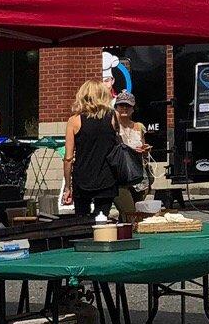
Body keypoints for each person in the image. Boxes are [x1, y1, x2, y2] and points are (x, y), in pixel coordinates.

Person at [63, 80, 124, 218]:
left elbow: (68, 158)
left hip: (82, 177)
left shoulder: (74, 120)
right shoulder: (114, 117)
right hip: (107, 177)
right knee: (102, 220)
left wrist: (67, 186)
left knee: (82, 221)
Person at [111, 89, 149, 220]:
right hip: (120, 178)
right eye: (121, 105)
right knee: (129, 212)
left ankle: (125, 237)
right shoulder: (112, 127)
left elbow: (144, 149)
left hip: (138, 176)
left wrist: (145, 151)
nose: (124, 108)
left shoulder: (139, 127)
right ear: (116, 107)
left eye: (128, 105)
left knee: (135, 215)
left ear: (133, 108)